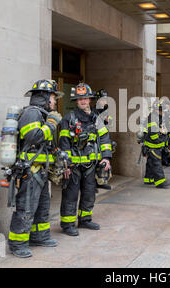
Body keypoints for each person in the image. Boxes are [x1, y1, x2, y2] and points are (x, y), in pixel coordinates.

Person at [7, 79, 64, 258]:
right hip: (29, 171)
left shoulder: (42, 114)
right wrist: (52, 124)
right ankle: (17, 244)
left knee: (42, 206)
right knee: (26, 208)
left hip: (40, 170)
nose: (55, 102)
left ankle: (39, 236)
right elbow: (33, 137)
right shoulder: (32, 113)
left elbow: (44, 144)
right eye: (54, 97)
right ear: (45, 97)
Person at [59, 83, 112, 236]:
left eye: (85, 98)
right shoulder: (68, 119)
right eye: (79, 99)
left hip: (91, 166)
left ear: (90, 99)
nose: (83, 101)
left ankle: (85, 219)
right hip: (73, 166)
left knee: (89, 193)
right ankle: (68, 224)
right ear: (76, 101)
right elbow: (64, 144)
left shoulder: (97, 118)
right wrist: (66, 164)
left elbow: (104, 138)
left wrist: (106, 158)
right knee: (71, 194)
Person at [142, 100, 170, 189]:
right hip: (153, 146)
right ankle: (160, 182)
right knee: (156, 164)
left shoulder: (157, 117)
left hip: (152, 146)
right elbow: (154, 135)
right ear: (158, 109)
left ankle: (148, 179)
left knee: (151, 163)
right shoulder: (153, 118)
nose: (164, 112)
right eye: (162, 110)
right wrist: (161, 140)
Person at [93, 89, 115, 191]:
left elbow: (111, 125)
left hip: (104, 139)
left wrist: (108, 120)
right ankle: (93, 184)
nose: (105, 101)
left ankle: (101, 181)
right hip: (95, 141)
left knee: (103, 162)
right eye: (103, 99)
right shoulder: (94, 111)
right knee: (94, 163)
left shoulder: (106, 111)